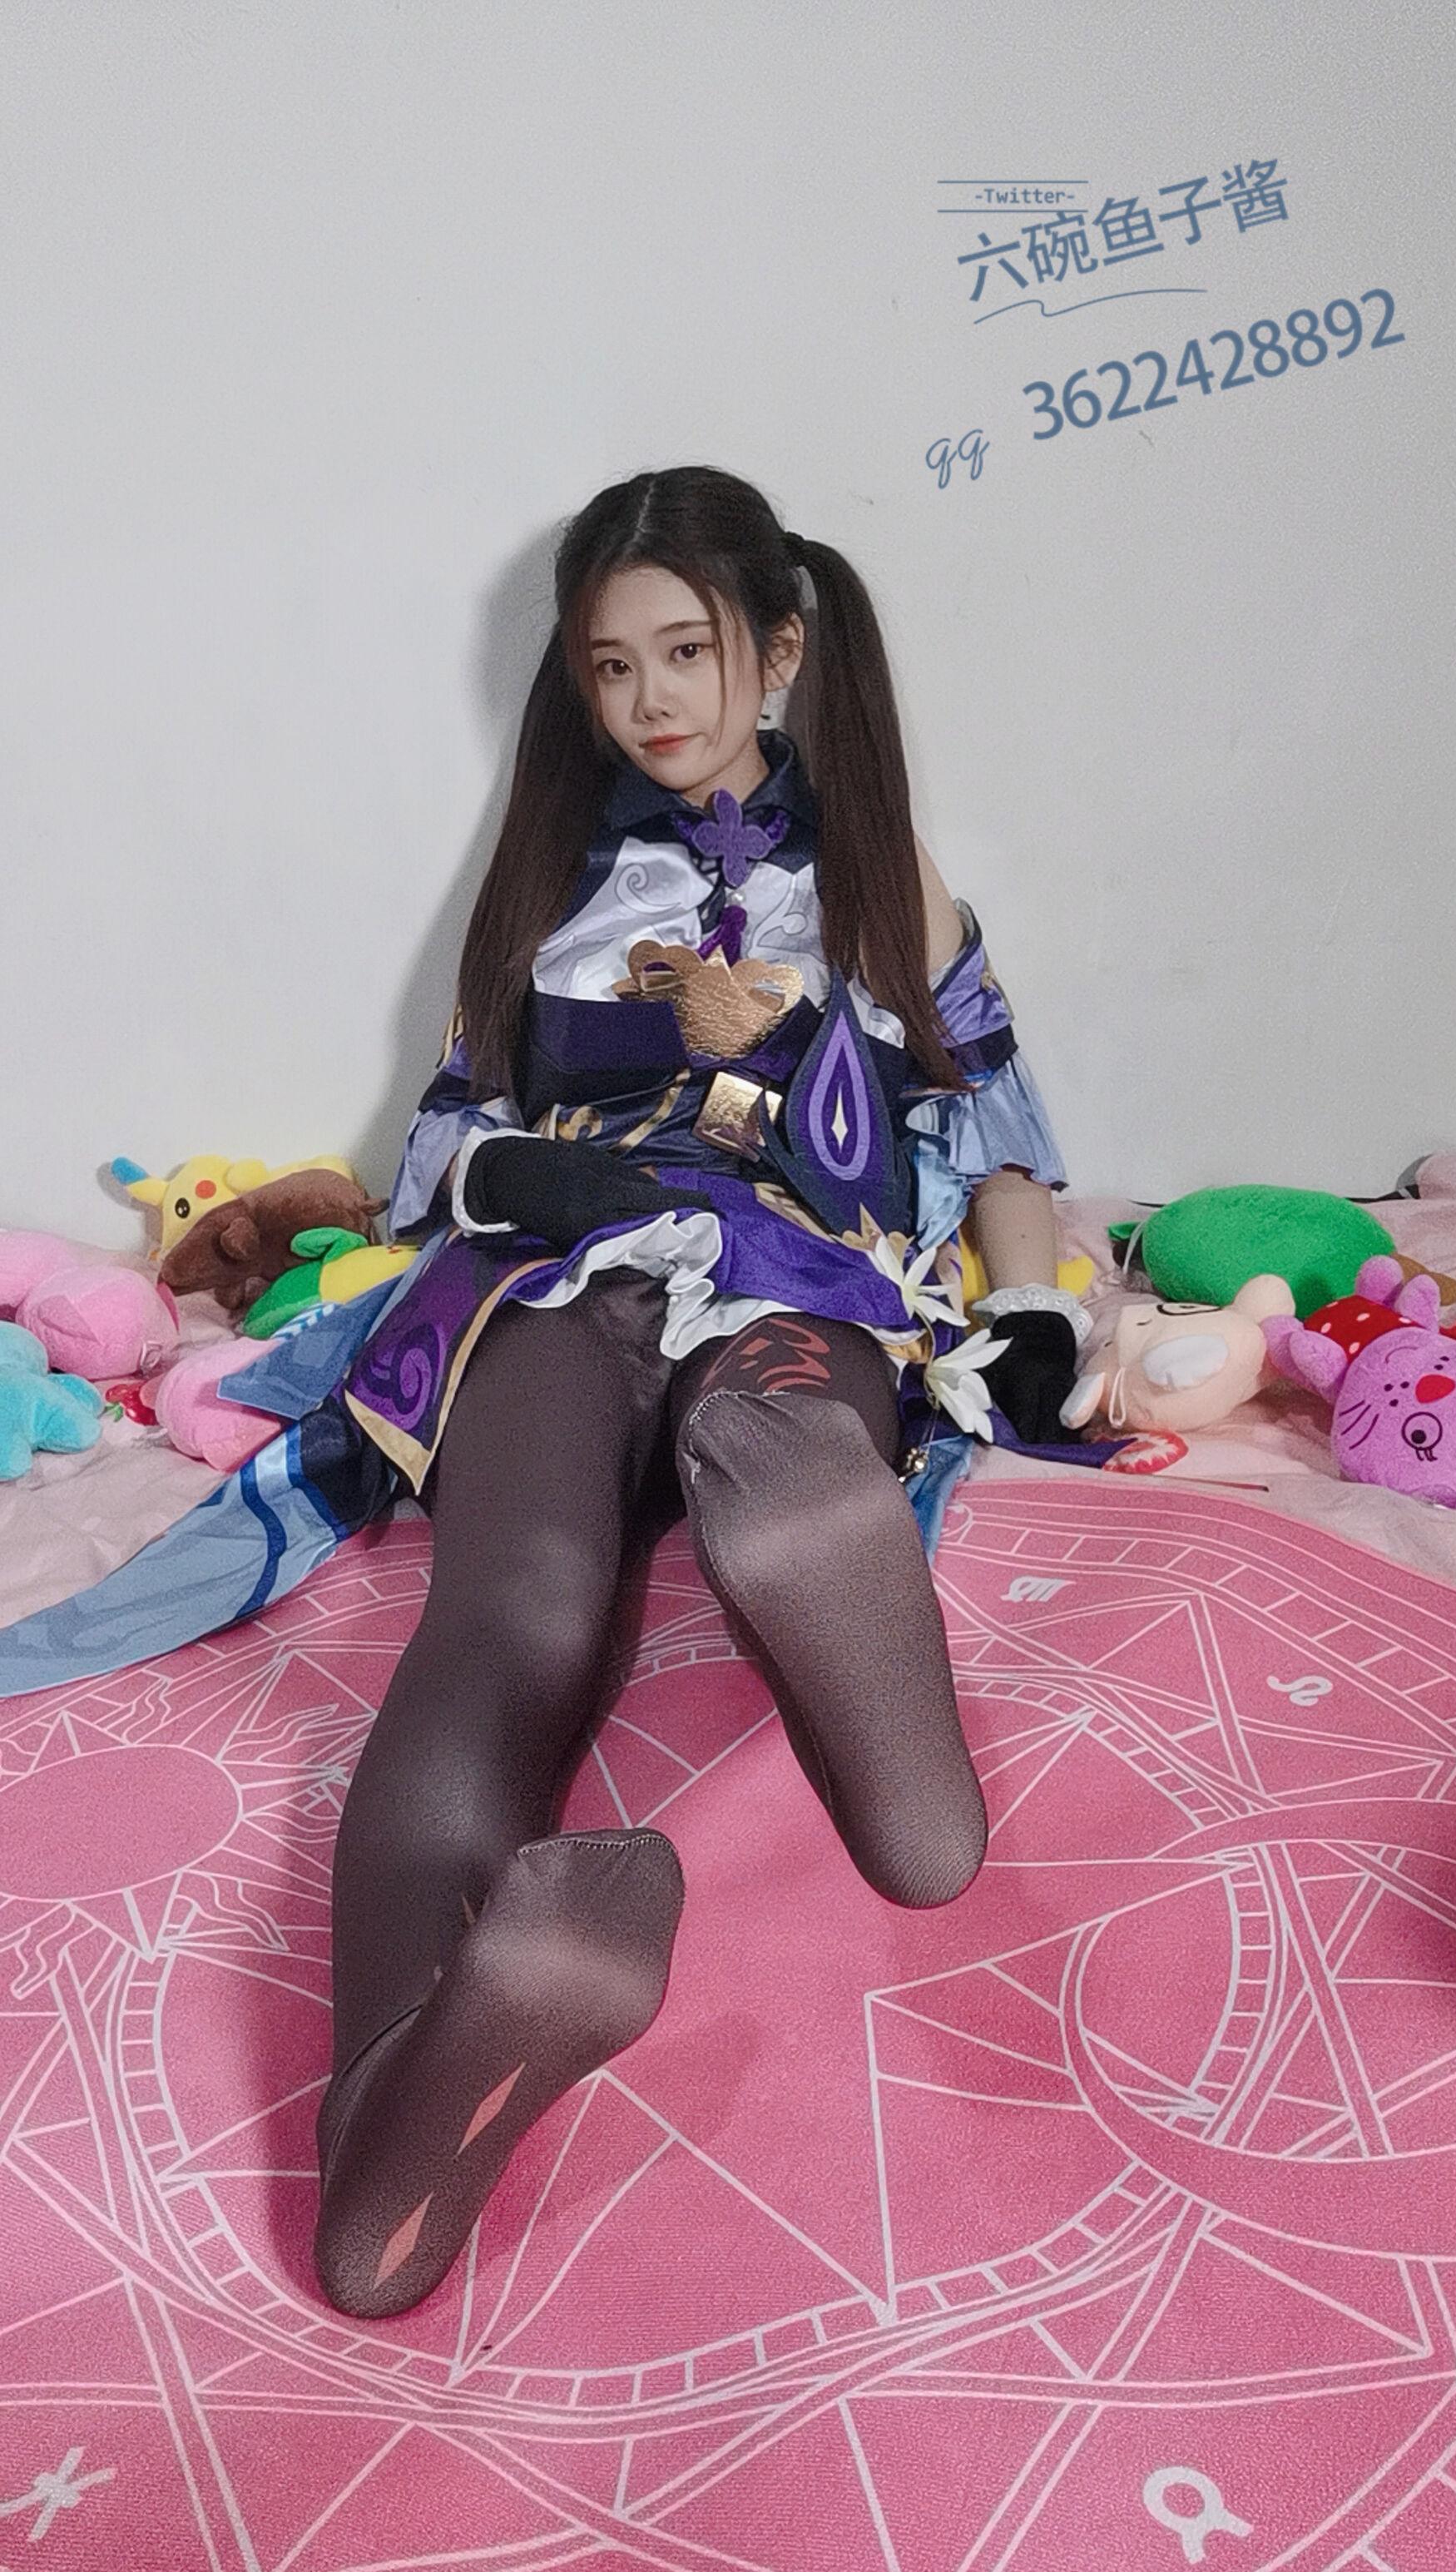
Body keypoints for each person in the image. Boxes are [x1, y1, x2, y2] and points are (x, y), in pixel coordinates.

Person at [312, 466, 1088, 2318]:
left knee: (776, 1403)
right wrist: (525, 1177)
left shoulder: (886, 881)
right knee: (511, 1606)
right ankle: (391, 2142)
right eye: (611, 667)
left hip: (789, 1263)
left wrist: (1037, 1310)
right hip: (563, 1268)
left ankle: (828, 1578)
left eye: (687, 650)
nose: (652, 700)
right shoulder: (546, 886)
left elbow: (998, 1138)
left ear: (783, 648)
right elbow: (444, 1141)